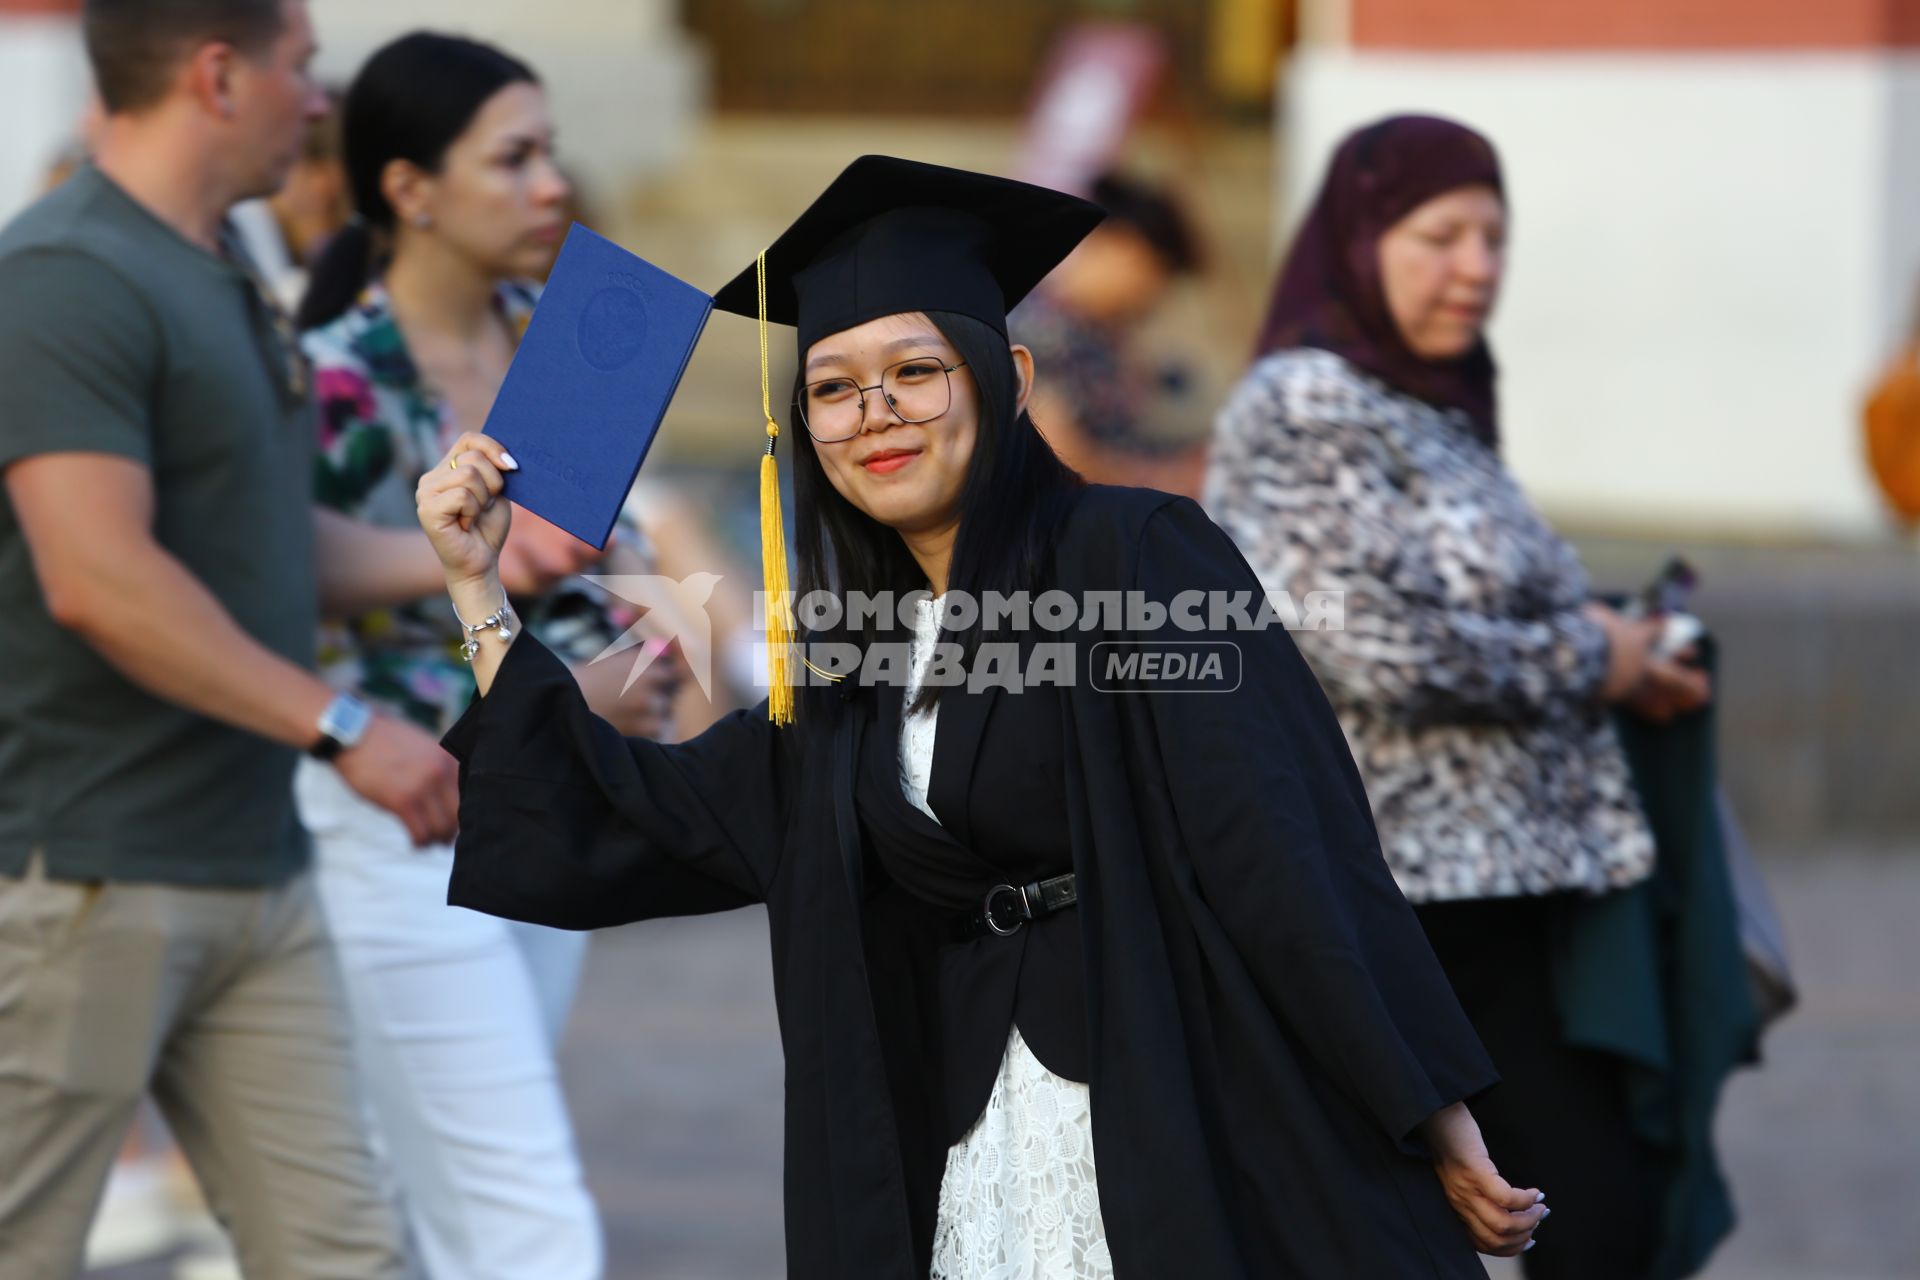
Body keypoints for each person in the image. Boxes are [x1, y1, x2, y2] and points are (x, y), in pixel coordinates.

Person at [413, 155, 1551, 1279]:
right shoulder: (852, 657)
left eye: (915, 370)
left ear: (1002, 372)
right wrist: (479, 590)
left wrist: (1428, 1111)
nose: (877, 416)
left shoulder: (1136, 554)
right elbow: (654, 812)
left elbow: (1286, 849)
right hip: (972, 1146)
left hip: (1175, 1108)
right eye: (834, 387)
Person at [0, 1, 482, 1275]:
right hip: (85, 878)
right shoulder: (65, 276)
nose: (320, 102)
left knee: (350, 1258)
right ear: (219, 76)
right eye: (301, 70)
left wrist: (479, 553)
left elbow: (275, 548)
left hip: (253, 874)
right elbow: (99, 577)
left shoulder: (221, 273)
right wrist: (339, 728)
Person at [1205, 115, 1711, 1280]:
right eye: (1440, 235)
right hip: (1390, 902)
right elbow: (1366, 639)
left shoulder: (1436, 401)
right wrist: (1597, 658)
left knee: (1605, 1214)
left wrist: (1623, 638)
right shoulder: (1303, 403)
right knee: (1419, 1229)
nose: (1477, 265)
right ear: (1360, 238)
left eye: (1495, 237)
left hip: (1519, 890)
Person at [291, 31, 688, 1280]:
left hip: (540, 805)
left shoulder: (580, 344)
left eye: (550, 153)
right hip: (396, 810)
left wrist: (642, 666)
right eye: (511, 159)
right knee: (522, 1207)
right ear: (409, 190)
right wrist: (467, 557)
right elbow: (277, 571)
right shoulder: (324, 375)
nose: (551, 184)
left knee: (427, 1185)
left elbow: (587, 574)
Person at [1015, 170, 1207, 494]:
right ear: (1125, 247)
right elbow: (1058, 458)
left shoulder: (1099, 333)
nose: (1156, 292)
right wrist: (1172, 479)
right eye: (1157, 270)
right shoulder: (1039, 329)